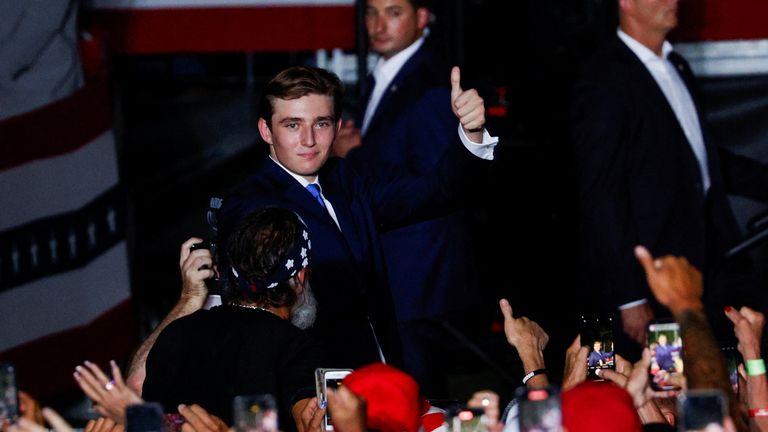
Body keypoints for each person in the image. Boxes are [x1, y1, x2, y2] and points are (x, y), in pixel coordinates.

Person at [216, 64, 495, 370]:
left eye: (320, 124)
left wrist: (470, 132)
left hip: (381, 367)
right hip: (313, 386)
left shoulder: (344, 179)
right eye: (293, 125)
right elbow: (258, 321)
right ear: (266, 130)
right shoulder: (250, 206)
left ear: (337, 128)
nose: (308, 140)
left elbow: (436, 191)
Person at [570, 0, 768, 354]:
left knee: (712, 379)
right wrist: (629, 296)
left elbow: (701, 161)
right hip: (645, 280)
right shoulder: (603, 77)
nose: (672, 1)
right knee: (635, 390)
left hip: (701, 267)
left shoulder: (675, 65)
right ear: (626, 3)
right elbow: (600, 194)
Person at [332, 0, 485, 395]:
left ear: (421, 18)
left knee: (415, 400)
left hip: (417, 278)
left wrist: (353, 155)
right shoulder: (384, 73)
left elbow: (435, 185)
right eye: (372, 13)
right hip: (393, 273)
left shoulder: (431, 84)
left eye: (393, 12)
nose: (378, 24)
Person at [141, 208, 332, 429]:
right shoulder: (298, 347)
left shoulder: (174, 334)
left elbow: (146, 420)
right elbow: (310, 419)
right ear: (301, 276)